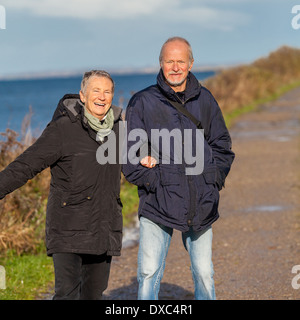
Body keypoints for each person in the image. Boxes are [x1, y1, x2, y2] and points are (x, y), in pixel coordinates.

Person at [122, 37, 235, 300]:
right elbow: (129, 157)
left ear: (191, 63)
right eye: (169, 61)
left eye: (180, 61)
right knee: (148, 273)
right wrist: (156, 181)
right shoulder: (142, 102)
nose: (175, 67)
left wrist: (212, 178)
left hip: (201, 199)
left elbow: (222, 144)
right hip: (158, 201)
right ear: (160, 63)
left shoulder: (205, 99)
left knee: (204, 273)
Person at [0, 70, 123, 300]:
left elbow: (139, 165)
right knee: (66, 295)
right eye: (96, 90)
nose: (102, 96)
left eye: (107, 91)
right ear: (83, 96)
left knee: (94, 296)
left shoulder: (119, 130)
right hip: (68, 228)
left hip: (104, 229)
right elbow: (26, 165)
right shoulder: (63, 129)